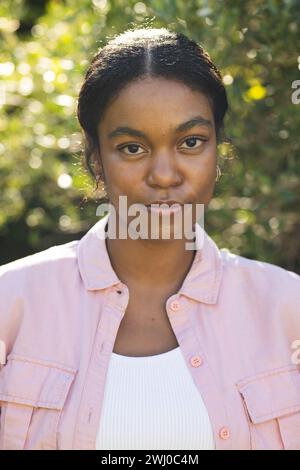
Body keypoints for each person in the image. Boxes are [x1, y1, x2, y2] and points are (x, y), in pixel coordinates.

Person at [0, 27, 300, 451]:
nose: (164, 175)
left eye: (191, 142)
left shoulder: (289, 310)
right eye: (132, 148)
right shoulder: (9, 305)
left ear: (218, 150)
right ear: (96, 161)